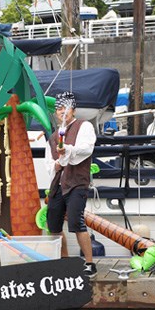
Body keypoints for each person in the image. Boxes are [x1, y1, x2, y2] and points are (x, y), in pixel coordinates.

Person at [45, 92, 98, 278]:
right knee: (54, 225)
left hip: (77, 183)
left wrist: (67, 149)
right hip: (58, 184)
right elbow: (49, 165)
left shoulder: (84, 127)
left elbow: (86, 149)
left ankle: (90, 264)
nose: (62, 112)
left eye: (66, 108)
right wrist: (57, 163)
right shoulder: (52, 137)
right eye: (59, 109)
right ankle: (65, 261)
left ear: (73, 110)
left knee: (76, 222)